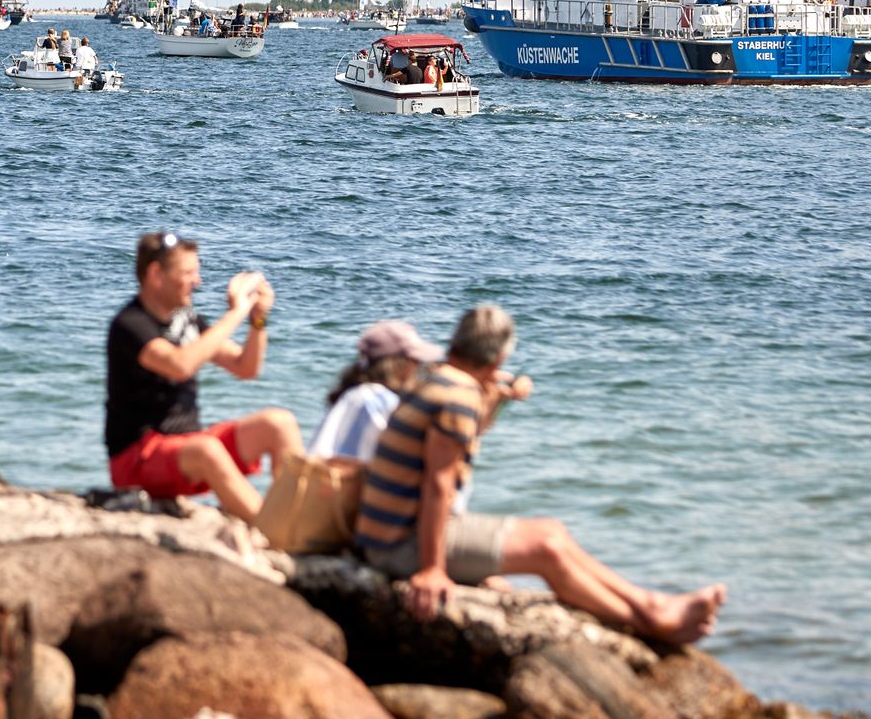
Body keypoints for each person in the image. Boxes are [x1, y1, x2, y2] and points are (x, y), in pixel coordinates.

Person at [354, 304, 726, 645]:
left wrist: (497, 395)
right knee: (546, 546)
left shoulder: (436, 380)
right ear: (500, 357)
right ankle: (652, 620)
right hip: (400, 548)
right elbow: (438, 484)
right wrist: (432, 569)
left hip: (387, 536)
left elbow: (458, 439)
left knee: (553, 534)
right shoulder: (459, 396)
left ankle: (653, 606)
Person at [103, 231, 300, 521]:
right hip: (137, 459)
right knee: (207, 449)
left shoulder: (187, 320)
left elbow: (246, 367)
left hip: (187, 449)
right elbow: (179, 365)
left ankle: (302, 521)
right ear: (156, 274)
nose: (198, 281)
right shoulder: (130, 324)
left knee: (278, 423)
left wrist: (257, 319)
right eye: (188, 273)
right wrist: (235, 313)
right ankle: (274, 531)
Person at [309, 321, 441, 462]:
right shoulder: (381, 401)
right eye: (416, 361)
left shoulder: (353, 394)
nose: (418, 367)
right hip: (347, 479)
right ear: (400, 364)